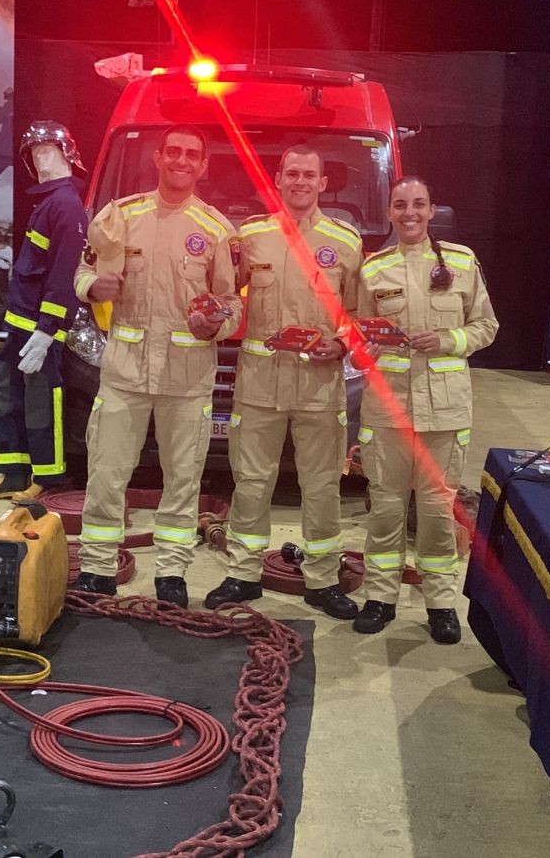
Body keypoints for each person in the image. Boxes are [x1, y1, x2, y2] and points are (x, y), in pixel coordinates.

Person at [73, 124, 241, 607]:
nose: (182, 161)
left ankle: (171, 574)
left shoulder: (216, 230)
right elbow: (85, 269)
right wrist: (92, 287)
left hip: (186, 380)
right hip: (125, 373)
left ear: (203, 165)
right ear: (158, 158)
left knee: (183, 479)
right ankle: (98, 569)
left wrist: (216, 323)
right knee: (106, 473)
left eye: (193, 154)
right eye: (174, 152)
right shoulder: (119, 217)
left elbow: (230, 302)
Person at [205, 144, 362, 620]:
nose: (299, 181)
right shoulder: (250, 237)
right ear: (277, 179)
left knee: (321, 486)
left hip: (319, 385)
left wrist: (341, 345)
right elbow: (225, 295)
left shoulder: (346, 241)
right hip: (260, 384)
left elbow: (357, 315)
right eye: (291, 173)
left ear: (322, 182)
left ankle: (321, 579)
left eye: (308, 174)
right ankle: (243, 573)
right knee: (251, 482)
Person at [353, 177, 498, 643]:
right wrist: (363, 343)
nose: (410, 213)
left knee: (437, 511)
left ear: (433, 209)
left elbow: (486, 325)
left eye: (419, 204)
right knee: (386, 508)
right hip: (388, 408)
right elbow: (358, 335)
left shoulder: (460, 262)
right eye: (401, 205)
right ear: (390, 213)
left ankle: (441, 603)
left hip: (445, 409)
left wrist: (449, 340)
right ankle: (380, 597)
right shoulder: (373, 270)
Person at [0, 121, 88, 501]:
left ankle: (48, 477)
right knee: (7, 394)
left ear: (66, 154)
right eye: (34, 154)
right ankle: (12, 472)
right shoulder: (51, 202)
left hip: (40, 329)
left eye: (47, 151)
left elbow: (63, 274)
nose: (40, 160)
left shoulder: (67, 206)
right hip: (20, 322)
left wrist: (48, 329)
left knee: (43, 401)